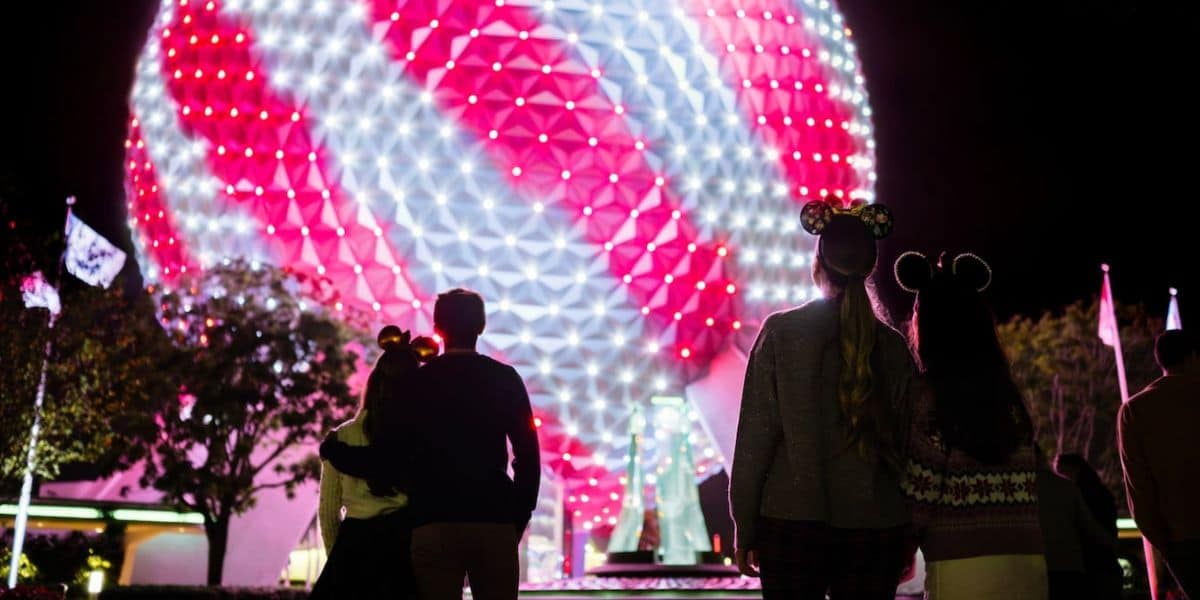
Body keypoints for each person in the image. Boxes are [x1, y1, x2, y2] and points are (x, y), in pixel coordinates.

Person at [730, 198, 916, 599]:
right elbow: (906, 449)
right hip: (875, 527)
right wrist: (907, 532)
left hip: (789, 524)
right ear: (870, 267)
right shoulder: (893, 349)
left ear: (818, 265)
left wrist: (744, 525)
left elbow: (754, 442)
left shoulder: (781, 334)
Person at [323, 289, 540, 600]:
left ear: (438, 329)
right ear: (481, 326)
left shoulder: (416, 383)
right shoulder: (505, 379)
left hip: (432, 525)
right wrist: (518, 516)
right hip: (494, 521)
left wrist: (336, 452)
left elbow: (389, 455)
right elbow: (527, 456)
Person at [895, 251, 1046, 600]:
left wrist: (901, 545)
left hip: (961, 562)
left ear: (929, 324)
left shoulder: (930, 396)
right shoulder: (1007, 397)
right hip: (1027, 558)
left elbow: (922, 484)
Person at [311, 326, 419, 599]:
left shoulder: (342, 437)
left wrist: (340, 559)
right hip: (401, 551)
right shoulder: (419, 437)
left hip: (353, 547)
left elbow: (328, 512)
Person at [1119, 329, 1200, 599]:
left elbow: (1138, 488)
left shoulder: (1135, 410)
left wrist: (1164, 543)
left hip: (1180, 537)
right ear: (1192, 358)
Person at [1037, 459, 1118, 600]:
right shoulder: (1075, 490)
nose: (1060, 474)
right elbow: (1093, 528)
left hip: (1052, 567)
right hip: (1078, 568)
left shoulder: (1026, 488)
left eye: (1062, 471)